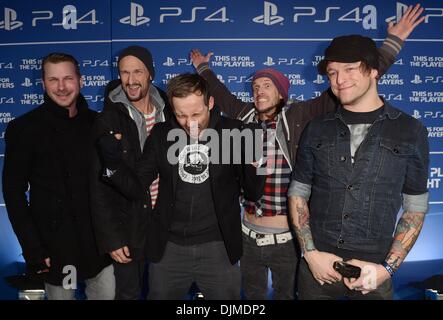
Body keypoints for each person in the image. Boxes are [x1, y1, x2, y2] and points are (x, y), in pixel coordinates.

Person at [189, 4, 423, 300]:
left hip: (289, 236)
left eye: (267, 85)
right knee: (252, 295)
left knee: (287, 294)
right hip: (248, 233)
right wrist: (203, 68)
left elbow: (355, 81)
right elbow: (219, 93)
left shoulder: (301, 115)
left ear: (282, 93)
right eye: (255, 86)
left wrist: (394, 42)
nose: (259, 90)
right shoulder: (243, 116)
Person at [96, 73, 265, 300]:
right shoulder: (161, 134)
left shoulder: (233, 132)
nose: (190, 122)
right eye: (181, 115)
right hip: (169, 248)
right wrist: (112, 163)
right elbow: (136, 187)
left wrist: (256, 163)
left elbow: (254, 193)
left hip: (218, 248)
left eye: (196, 113)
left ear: (211, 103)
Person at [287, 29, 429, 299]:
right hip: (317, 268)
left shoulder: (411, 130)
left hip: (373, 270)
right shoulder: (316, 128)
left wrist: (387, 268)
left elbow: (415, 207)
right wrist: (310, 253)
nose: (339, 80)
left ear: (374, 71)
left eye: (350, 69)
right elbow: (298, 192)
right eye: (332, 72)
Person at [2, 53, 114, 300]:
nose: (61, 87)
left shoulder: (99, 123)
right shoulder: (25, 128)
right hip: (57, 248)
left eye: (68, 78)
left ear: (81, 81)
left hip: (100, 245)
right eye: (53, 80)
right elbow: (14, 194)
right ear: (43, 84)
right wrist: (33, 249)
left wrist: (115, 236)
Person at [90, 46, 173, 299]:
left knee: (165, 293)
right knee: (129, 294)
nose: (131, 79)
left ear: (151, 74)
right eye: (124, 72)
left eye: (137, 71)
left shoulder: (170, 113)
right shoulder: (107, 119)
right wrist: (112, 238)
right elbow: (99, 185)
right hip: (128, 227)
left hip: (167, 224)